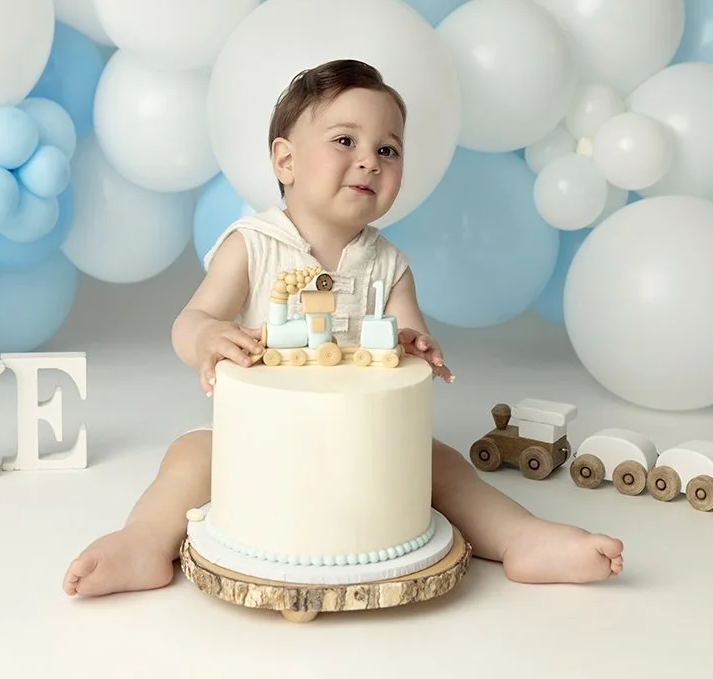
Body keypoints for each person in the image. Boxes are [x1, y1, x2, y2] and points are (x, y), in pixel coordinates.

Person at [63, 59, 623, 597]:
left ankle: (521, 538)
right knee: (190, 457)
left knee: (442, 465)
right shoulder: (252, 244)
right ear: (284, 161)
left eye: (388, 149)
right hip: (263, 442)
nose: (370, 161)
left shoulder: (389, 265)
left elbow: (407, 343)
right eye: (344, 141)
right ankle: (143, 542)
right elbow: (191, 321)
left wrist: (414, 345)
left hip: (364, 450)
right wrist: (209, 338)